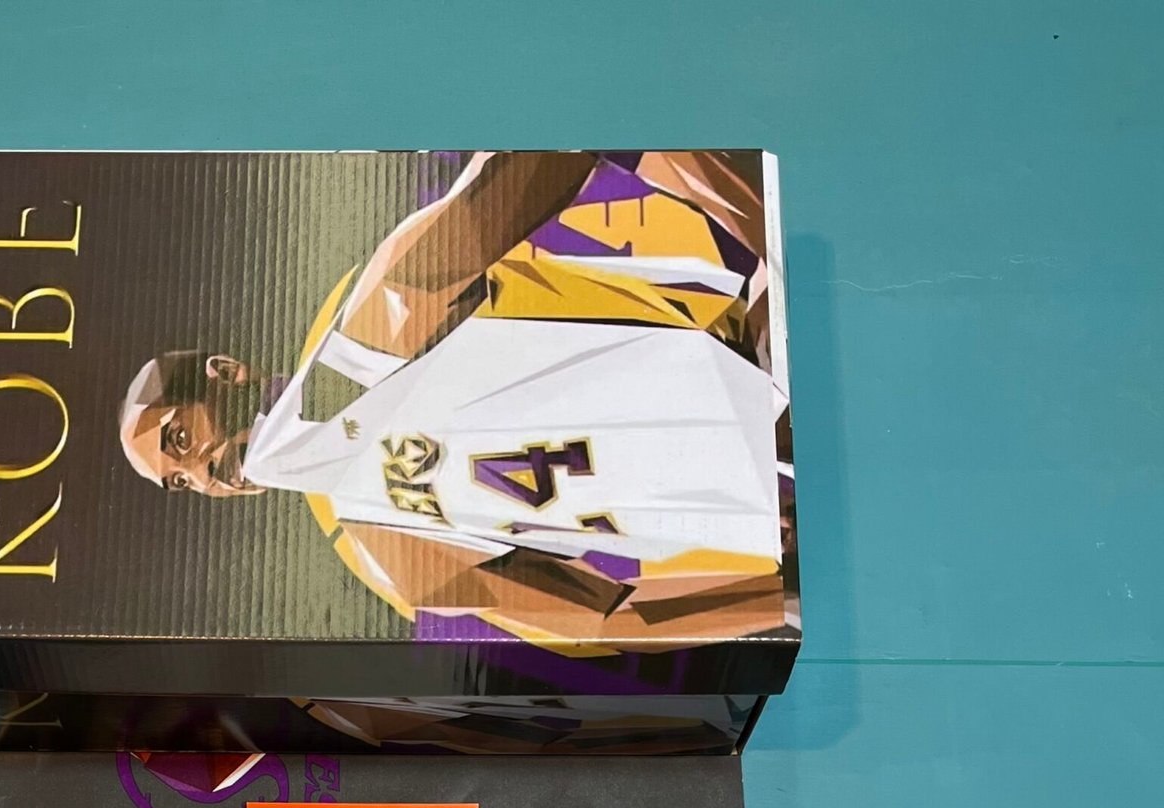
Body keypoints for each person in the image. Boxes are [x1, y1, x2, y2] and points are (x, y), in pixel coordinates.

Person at [119, 149, 790, 652]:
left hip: (755, 364)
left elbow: (556, 154)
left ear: (226, 373)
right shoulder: (389, 552)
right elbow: (607, 618)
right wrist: (780, 593)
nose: (201, 471)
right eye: (180, 482)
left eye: (180, 438)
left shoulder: (375, 325)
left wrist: (762, 231)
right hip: (766, 506)